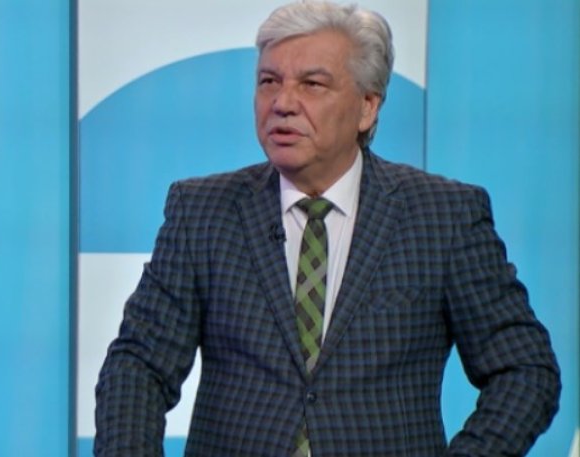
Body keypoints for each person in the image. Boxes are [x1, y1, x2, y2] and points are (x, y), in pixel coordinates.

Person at [94, 2, 561, 456]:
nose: (282, 103)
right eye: (268, 81)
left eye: (312, 84)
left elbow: (525, 369)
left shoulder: (444, 216)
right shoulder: (202, 211)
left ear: (367, 107)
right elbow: (139, 365)